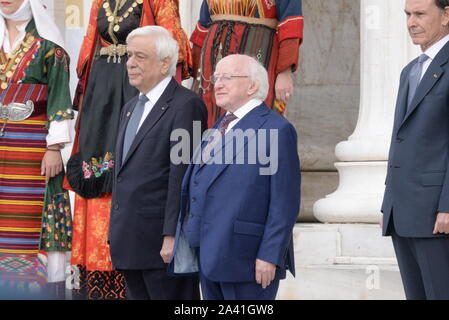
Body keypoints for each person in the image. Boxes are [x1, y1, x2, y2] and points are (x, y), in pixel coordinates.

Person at [65, 0, 192, 300]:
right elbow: (88, 45)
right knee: (96, 161)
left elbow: (172, 42)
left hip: (133, 84)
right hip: (102, 85)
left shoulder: (159, 1)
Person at [170, 54, 300, 300]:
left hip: (248, 261)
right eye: (215, 77)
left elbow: (285, 202)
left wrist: (270, 255)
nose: (217, 84)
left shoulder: (276, 128)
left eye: (227, 77)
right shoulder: (217, 127)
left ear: (252, 85)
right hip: (209, 257)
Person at [108, 26, 206, 300]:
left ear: (165, 64)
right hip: (129, 241)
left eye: (140, 56)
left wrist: (172, 235)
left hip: (162, 246)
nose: (130, 63)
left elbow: (183, 177)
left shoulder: (187, 106)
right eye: (129, 56)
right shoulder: (129, 108)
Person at [0, 0, 73, 298]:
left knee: (33, 214)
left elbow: (58, 96)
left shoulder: (50, 48)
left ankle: (34, 287)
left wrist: (54, 147)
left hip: (33, 148)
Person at [381, 0, 449, 300]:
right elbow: (402, 139)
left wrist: (448, 205)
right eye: (407, 15)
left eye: (420, 14)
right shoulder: (411, 70)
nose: (411, 22)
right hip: (404, 211)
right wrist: (389, 201)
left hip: (437, 213)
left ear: (446, 15)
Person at [190, 0, 304, 127]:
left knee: (255, 113)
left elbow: (291, 23)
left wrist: (285, 71)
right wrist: (196, 74)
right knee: (210, 114)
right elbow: (203, 26)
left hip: (257, 53)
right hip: (213, 56)